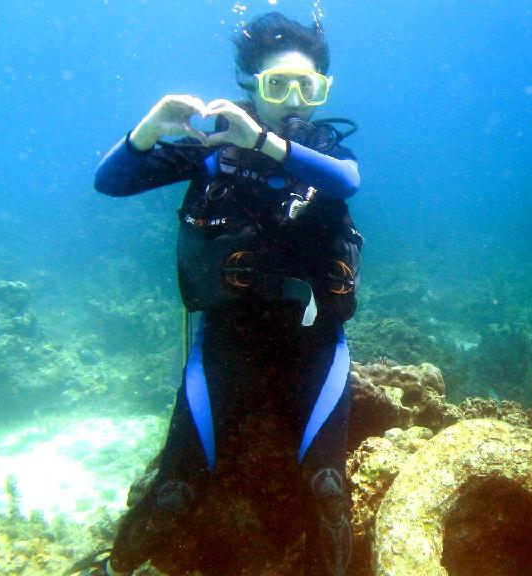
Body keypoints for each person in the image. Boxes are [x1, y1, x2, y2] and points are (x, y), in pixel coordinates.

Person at [79, 12, 361, 576]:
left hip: (302, 338)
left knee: (322, 483)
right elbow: (109, 182)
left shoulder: (323, 150)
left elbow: (347, 181)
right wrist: (148, 130)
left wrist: (264, 141)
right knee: (179, 487)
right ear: (251, 86)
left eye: (308, 87)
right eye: (277, 86)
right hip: (244, 339)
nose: (295, 101)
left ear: (324, 89)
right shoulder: (213, 149)